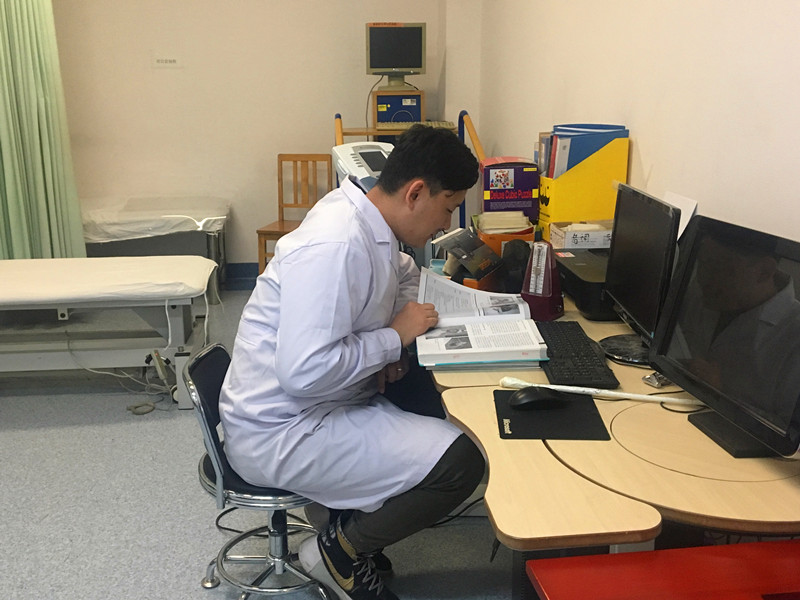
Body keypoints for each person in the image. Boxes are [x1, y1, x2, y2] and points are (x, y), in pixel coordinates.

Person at [219, 125, 485, 600]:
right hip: (283, 429)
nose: (445, 225)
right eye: (447, 208)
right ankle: (339, 551)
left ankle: (341, 517)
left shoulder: (368, 220)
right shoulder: (336, 244)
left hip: (318, 403)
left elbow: (404, 274)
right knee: (460, 462)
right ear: (415, 193)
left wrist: (391, 344)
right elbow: (304, 373)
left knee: (423, 398)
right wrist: (392, 338)